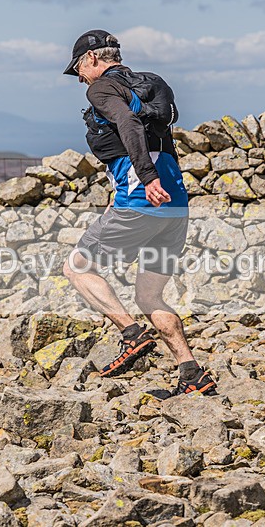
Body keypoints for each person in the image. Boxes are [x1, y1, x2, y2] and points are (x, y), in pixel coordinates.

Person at [61, 29, 217, 396]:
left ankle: (132, 334)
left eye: (78, 69)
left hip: (142, 198)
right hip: (174, 205)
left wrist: (146, 179)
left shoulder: (101, 89)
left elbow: (129, 124)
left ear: (92, 58)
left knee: (76, 267)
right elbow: (157, 132)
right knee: (149, 296)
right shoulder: (153, 83)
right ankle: (192, 374)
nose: (79, 78)